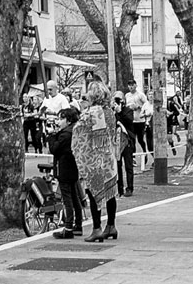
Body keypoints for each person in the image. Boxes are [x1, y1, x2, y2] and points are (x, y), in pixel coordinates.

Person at [71, 79, 119, 242]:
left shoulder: (92, 112)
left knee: (94, 193)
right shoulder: (110, 112)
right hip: (109, 158)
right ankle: (111, 226)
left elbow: (80, 133)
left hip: (95, 160)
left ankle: (97, 228)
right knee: (110, 193)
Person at [49, 107, 85, 238]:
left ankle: (68, 227)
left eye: (61, 118)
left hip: (64, 169)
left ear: (68, 120)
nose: (59, 121)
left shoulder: (65, 135)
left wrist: (51, 136)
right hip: (73, 168)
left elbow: (54, 149)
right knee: (75, 197)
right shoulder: (74, 131)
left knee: (67, 198)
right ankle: (78, 225)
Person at [114, 91, 136, 195]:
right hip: (117, 142)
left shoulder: (128, 111)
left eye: (119, 100)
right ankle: (120, 188)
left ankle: (130, 187)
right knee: (118, 166)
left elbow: (128, 121)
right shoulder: (112, 112)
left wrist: (120, 112)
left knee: (128, 166)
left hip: (127, 141)